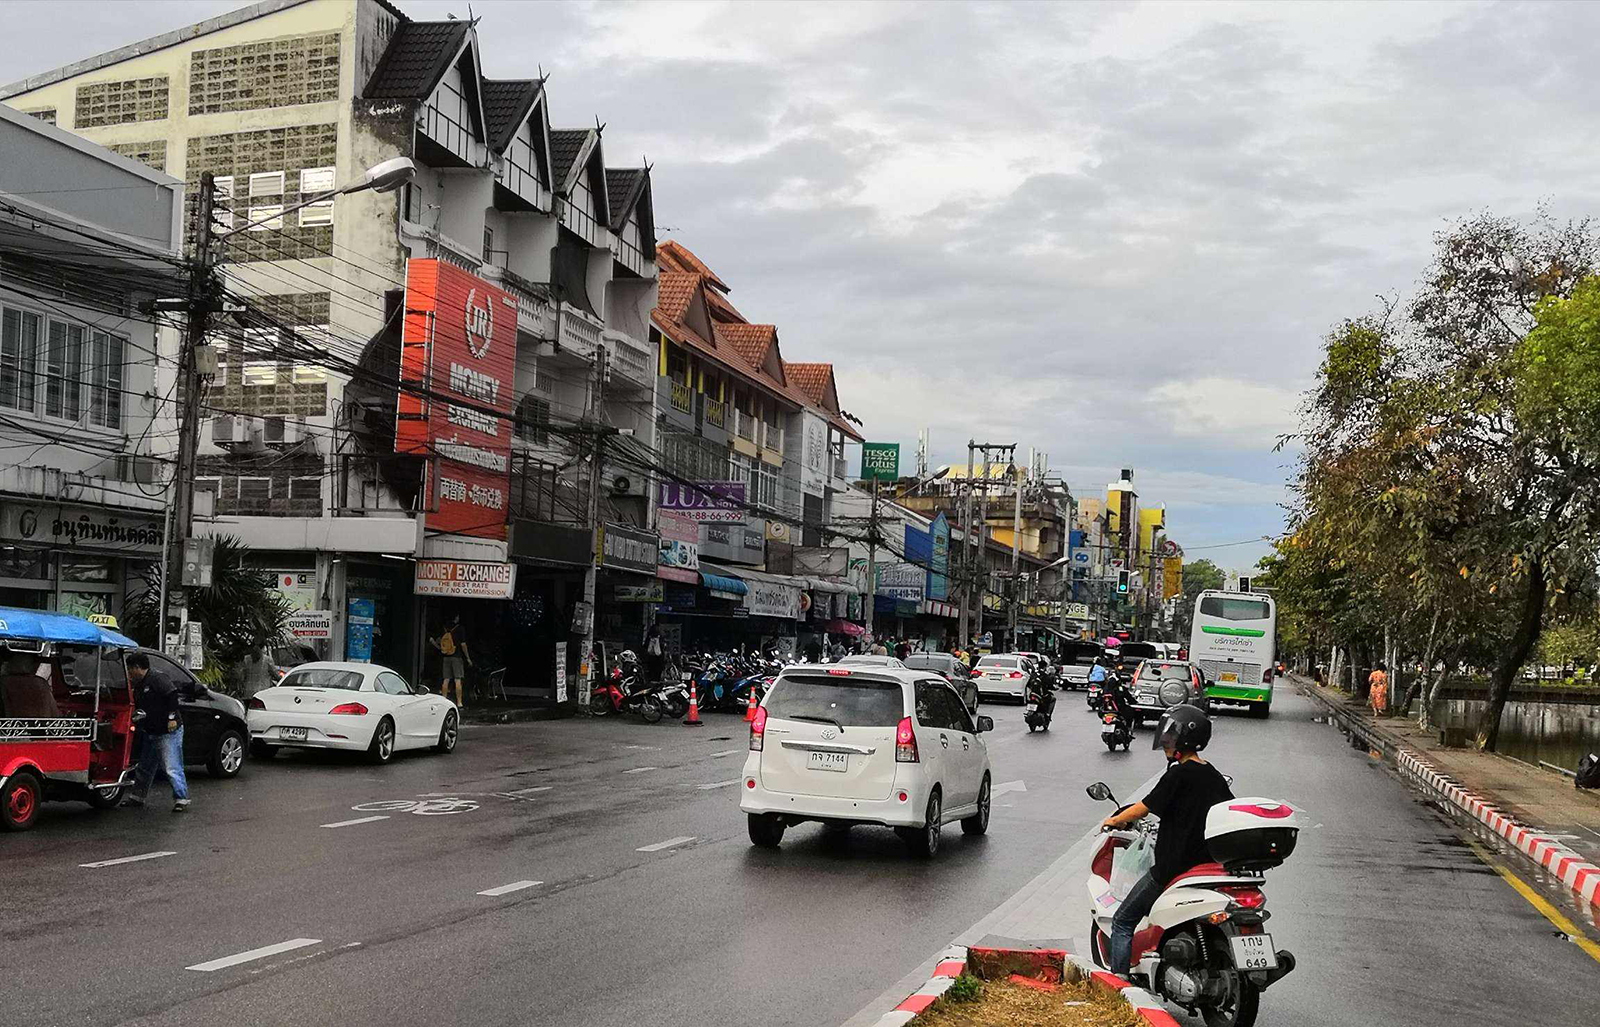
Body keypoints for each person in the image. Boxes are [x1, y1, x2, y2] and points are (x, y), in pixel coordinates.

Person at [1098, 704, 1233, 979]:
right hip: (1208, 866)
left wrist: (1113, 821)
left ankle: (1118, 985)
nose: (1165, 744)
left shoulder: (1178, 773)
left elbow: (1145, 807)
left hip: (1174, 867)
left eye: (1169, 738)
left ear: (1180, 740)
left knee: (1123, 921)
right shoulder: (1214, 775)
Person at [122, 653, 191, 812]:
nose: (129, 673)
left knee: (172, 766)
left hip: (168, 731)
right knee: (145, 766)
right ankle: (138, 797)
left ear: (137, 667)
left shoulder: (157, 679)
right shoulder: (139, 684)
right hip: (151, 731)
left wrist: (171, 718)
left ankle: (181, 798)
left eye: (130, 669)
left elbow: (172, 695)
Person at [431, 616, 473, 708]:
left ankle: (443, 701)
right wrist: (468, 658)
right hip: (457, 657)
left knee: (446, 679)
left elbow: (437, 641)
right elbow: (463, 644)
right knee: (457, 680)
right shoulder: (460, 629)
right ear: (457, 617)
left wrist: (438, 647)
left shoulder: (444, 628)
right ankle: (459, 703)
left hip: (446, 657)